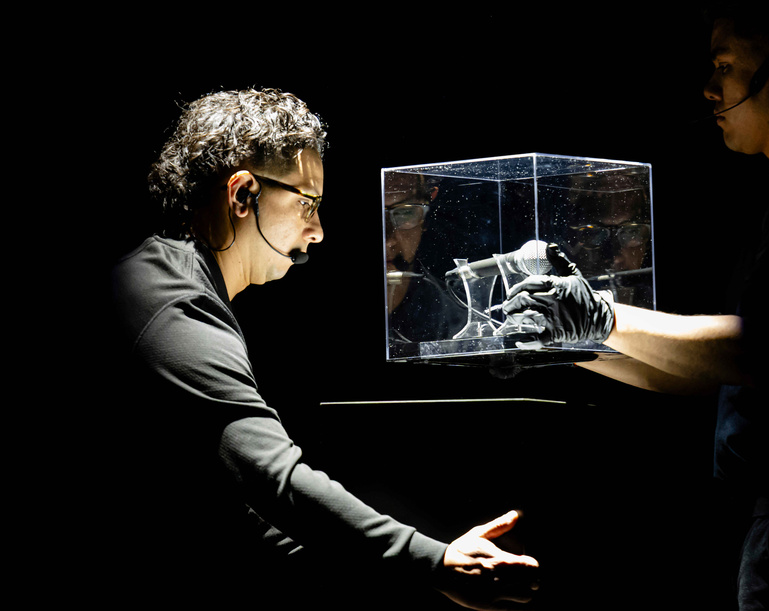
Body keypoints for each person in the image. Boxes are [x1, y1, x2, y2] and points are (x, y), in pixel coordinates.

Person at [107, 88, 539, 609]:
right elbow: (272, 478)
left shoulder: (175, 285)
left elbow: (231, 507)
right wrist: (435, 562)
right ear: (242, 195)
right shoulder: (174, 304)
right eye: (306, 204)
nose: (318, 231)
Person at [503, 0, 769, 609]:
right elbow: (711, 372)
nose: (709, 89)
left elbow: (757, 351)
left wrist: (600, 316)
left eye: (723, 66)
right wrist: (569, 340)